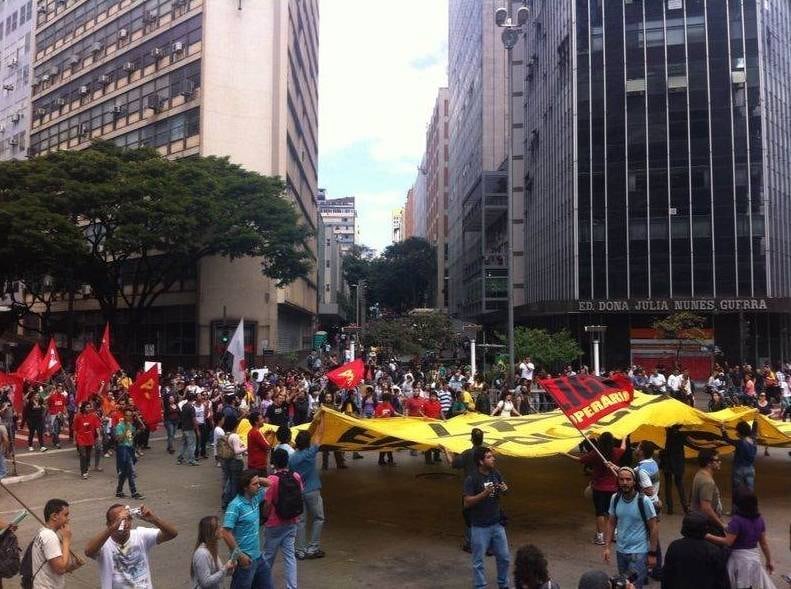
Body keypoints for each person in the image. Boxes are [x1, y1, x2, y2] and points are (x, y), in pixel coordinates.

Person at [84, 503, 178, 588]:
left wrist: (154, 519)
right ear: (109, 524)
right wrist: (112, 528)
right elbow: (88, 551)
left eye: (128, 519)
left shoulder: (141, 535)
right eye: (119, 520)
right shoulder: (104, 544)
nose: (125, 524)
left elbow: (172, 533)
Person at [705, 491, 776, 589]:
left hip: (738, 560)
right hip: (754, 559)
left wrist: (707, 536)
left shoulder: (737, 520)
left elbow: (728, 541)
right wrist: (769, 560)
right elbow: (763, 544)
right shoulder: (760, 519)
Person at [566, 432, 626, 545]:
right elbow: (623, 448)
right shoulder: (615, 452)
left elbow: (579, 460)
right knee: (612, 512)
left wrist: (564, 454)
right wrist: (624, 437)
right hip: (614, 488)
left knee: (600, 513)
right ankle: (615, 535)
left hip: (599, 488)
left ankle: (600, 537)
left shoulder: (595, 454)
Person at [603, 467, 658, 589]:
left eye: (628, 479)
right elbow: (611, 523)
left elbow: (654, 527)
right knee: (622, 586)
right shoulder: (615, 499)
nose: (625, 482)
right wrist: (607, 547)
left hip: (638, 553)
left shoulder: (644, 501)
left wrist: (653, 554)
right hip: (621, 551)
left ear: (634, 482)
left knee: (634, 586)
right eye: (621, 479)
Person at [463, 446, 510, 589]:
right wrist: (484, 494)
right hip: (479, 526)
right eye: (489, 457)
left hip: (497, 524)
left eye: (492, 456)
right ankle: (480, 586)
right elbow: (467, 502)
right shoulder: (472, 479)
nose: (493, 458)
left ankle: (503, 585)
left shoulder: (495, 473)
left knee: (504, 558)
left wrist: (505, 490)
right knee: (478, 562)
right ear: (481, 461)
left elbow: (505, 490)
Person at [221, 470, 274, 589]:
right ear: (245, 487)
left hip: (258, 557)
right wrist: (240, 556)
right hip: (245, 561)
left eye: (258, 484)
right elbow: (225, 532)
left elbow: (270, 483)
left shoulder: (255, 498)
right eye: (254, 484)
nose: (258, 486)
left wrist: (256, 479)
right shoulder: (235, 506)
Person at [263, 448, 303, 589]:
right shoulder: (296, 476)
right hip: (291, 521)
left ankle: (263, 584)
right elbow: (300, 494)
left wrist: (264, 518)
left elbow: (267, 503)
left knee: (268, 557)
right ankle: (292, 586)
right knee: (290, 557)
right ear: (287, 461)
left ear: (274, 462)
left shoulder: (271, 480)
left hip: (274, 523)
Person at [661, 512, 731, 589]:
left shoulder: (674, 546)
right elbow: (722, 579)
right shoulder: (713, 550)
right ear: (705, 529)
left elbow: (667, 575)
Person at [289, 418, 327, 560]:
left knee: (300, 521)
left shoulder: (292, 458)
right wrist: (322, 420)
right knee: (318, 517)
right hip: (312, 490)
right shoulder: (310, 453)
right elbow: (320, 436)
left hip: (299, 492)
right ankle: (313, 547)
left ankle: (300, 549)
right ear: (307, 442)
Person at [31, 498, 82, 588]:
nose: (68, 519)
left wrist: (72, 565)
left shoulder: (42, 532)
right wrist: (66, 540)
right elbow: (60, 568)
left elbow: (53, 566)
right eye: (65, 515)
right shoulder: (50, 536)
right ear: (54, 516)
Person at [449, 427, 485, 553]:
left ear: (471, 439)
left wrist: (445, 450)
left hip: (471, 489)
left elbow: (453, 464)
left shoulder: (467, 453)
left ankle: (470, 544)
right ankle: (488, 546)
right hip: (485, 487)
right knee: (486, 515)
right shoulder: (487, 453)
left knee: (470, 517)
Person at [191, 515, 236, 589]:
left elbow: (218, 574)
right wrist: (225, 568)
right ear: (211, 532)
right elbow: (205, 582)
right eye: (218, 527)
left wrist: (229, 569)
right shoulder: (202, 554)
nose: (221, 529)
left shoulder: (211, 549)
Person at [690, 449, 727, 536]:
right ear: (709, 463)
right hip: (707, 524)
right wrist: (722, 525)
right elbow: (706, 508)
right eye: (717, 460)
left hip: (700, 520)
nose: (720, 462)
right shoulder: (707, 482)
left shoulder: (699, 474)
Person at [721, 420, 757, 508]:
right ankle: (750, 509)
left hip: (739, 469)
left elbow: (727, 439)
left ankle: (735, 511)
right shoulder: (754, 440)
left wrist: (723, 430)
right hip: (750, 469)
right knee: (750, 491)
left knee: (737, 491)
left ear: (740, 432)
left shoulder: (740, 443)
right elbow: (753, 430)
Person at [115, 408, 144, 499]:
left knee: (124, 472)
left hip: (130, 448)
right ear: (124, 416)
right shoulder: (119, 426)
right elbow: (119, 439)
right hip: (123, 449)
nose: (129, 417)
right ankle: (134, 492)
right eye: (127, 415)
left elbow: (141, 428)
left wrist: (138, 418)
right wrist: (126, 430)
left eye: (130, 415)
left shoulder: (130, 425)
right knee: (130, 471)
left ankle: (119, 491)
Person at [661, 426, 689, 515]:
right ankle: (685, 507)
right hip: (678, 462)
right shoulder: (682, 435)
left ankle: (670, 508)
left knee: (668, 485)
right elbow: (692, 443)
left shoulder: (668, 432)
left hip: (668, 461)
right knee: (679, 484)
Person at [221, 415, 247, 510]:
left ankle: (225, 501)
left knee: (230, 482)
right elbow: (236, 451)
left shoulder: (225, 434)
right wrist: (246, 448)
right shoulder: (234, 436)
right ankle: (232, 504)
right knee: (235, 484)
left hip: (227, 461)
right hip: (236, 462)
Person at [74, 402, 101, 480]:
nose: (88, 408)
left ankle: (86, 468)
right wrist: (74, 440)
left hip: (89, 438)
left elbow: (97, 427)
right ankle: (83, 472)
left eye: (89, 407)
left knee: (88, 455)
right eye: (87, 407)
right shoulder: (78, 417)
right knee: (83, 455)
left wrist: (99, 436)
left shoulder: (93, 416)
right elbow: (75, 429)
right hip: (80, 438)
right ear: (83, 408)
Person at [374, 392, 399, 466]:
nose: (387, 402)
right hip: (381, 428)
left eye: (388, 401)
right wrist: (382, 416)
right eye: (387, 401)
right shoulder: (379, 407)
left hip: (388, 428)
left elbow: (394, 412)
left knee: (388, 444)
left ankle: (384, 460)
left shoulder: (389, 405)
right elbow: (375, 418)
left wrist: (402, 415)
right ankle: (387, 460)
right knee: (385, 445)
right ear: (384, 400)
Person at [178, 393, 200, 466]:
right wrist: (197, 429)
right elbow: (194, 419)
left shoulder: (184, 406)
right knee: (191, 444)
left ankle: (180, 458)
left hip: (184, 427)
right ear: (193, 399)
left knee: (183, 444)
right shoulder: (191, 408)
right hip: (190, 428)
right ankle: (191, 460)